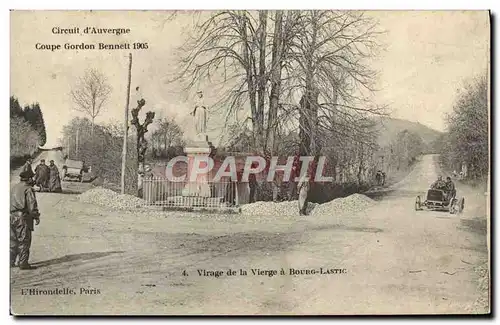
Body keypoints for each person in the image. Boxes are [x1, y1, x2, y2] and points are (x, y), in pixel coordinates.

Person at [10, 171, 40, 269]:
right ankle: (23, 263)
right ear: (29, 179)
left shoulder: (14, 187)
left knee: (12, 240)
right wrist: (36, 216)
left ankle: (10, 261)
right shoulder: (28, 189)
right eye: (32, 178)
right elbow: (32, 205)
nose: (33, 179)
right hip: (22, 218)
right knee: (24, 240)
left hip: (11, 216)